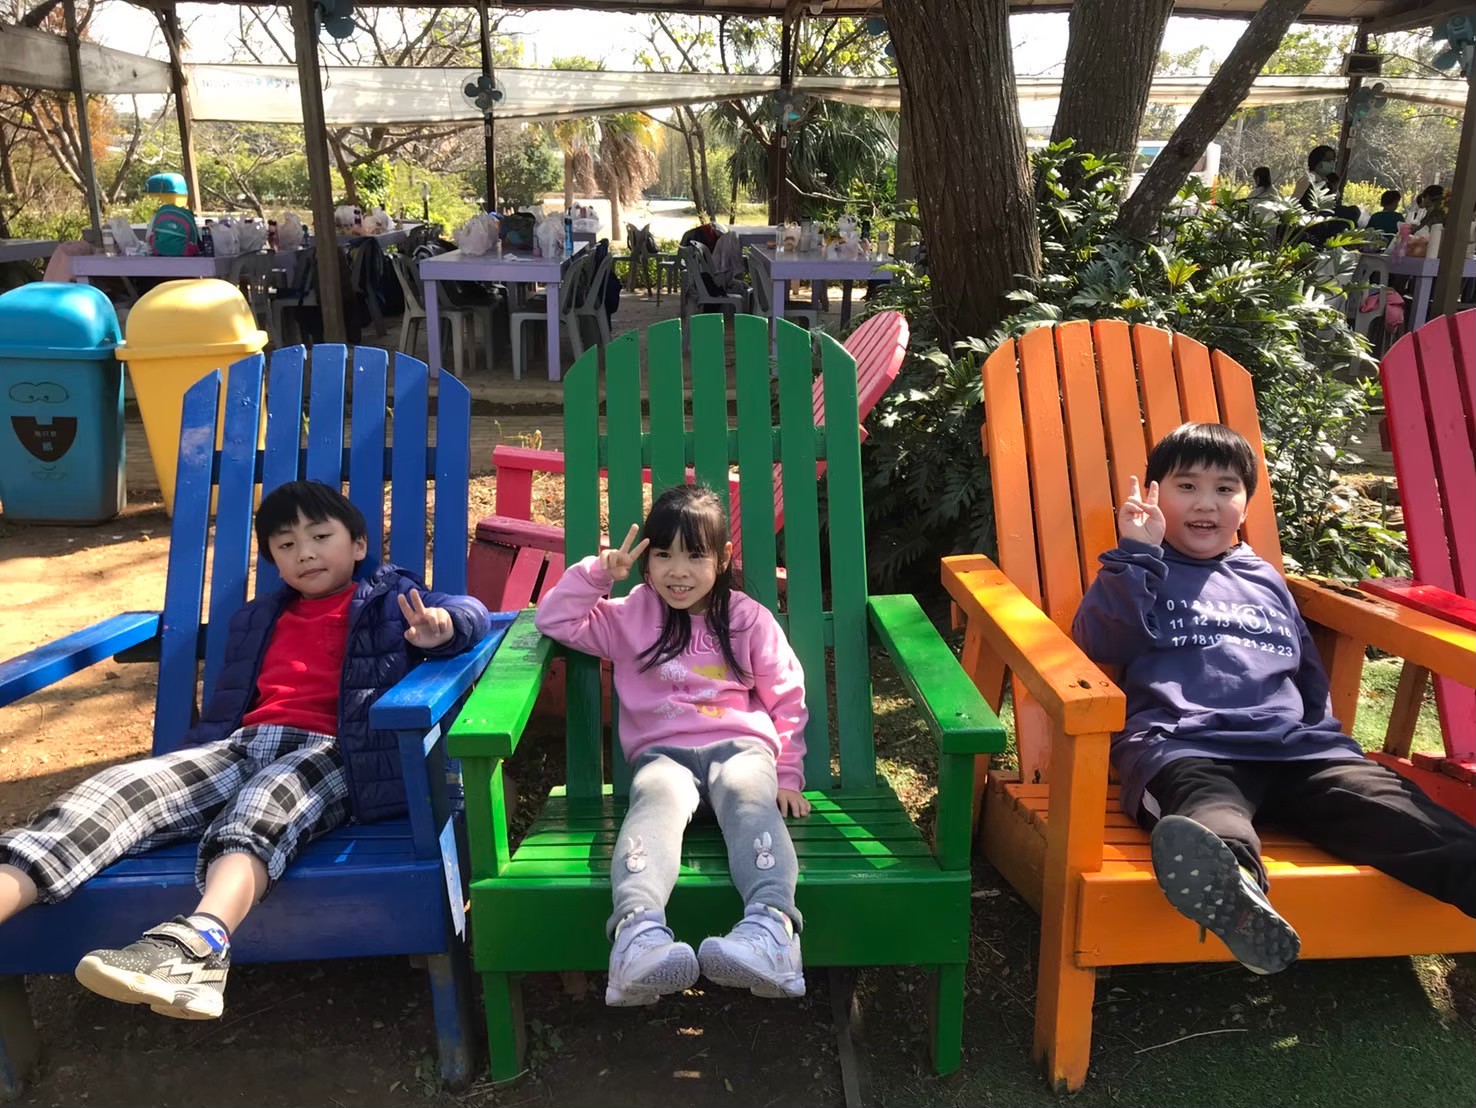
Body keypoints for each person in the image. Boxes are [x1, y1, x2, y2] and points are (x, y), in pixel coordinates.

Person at [0, 480, 490, 1019]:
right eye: (286, 545)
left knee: (262, 804)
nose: (305, 553)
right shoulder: (258, 618)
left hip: (336, 752)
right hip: (241, 745)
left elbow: (471, 613)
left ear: (358, 545)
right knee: (116, 790)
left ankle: (198, 948)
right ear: (274, 561)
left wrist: (444, 627)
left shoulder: (393, 599)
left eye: (321, 536)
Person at [1071, 422, 1476, 975]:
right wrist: (1138, 555)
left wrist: (1327, 741)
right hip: (1190, 745)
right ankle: (1238, 894)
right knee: (1210, 816)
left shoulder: (1265, 578)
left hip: (1299, 752)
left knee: (1403, 814)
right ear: (1157, 496)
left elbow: (1306, 669)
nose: (1206, 503)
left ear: (1246, 503)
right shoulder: (1142, 571)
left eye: (1225, 488)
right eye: (1187, 486)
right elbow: (1101, 639)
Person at [534, 484, 809, 1007]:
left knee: (749, 796)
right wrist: (597, 575)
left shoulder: (746, 618)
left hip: (739, 748)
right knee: (653, 802)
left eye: (695, 556)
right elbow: (555, 620)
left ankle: (772, 931)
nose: (677, 571)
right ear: (646, 560)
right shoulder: (630, 615)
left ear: (723, 558)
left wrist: (789, 773)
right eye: (663, 555)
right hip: (664, 757)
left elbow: (787, 695)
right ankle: (638, 936)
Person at [1294, 145, 1337, 211]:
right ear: (1317, 162)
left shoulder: (1327, 183)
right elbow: (1294, 205)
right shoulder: (1307, 180)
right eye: (1328, 160)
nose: (1332, 163)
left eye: (1333, 160)